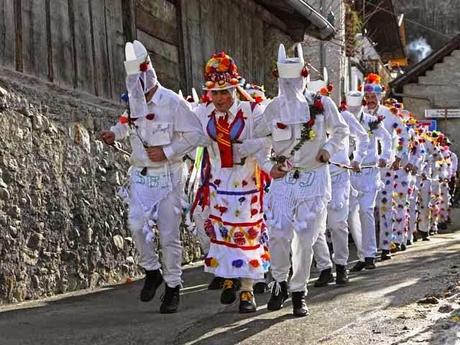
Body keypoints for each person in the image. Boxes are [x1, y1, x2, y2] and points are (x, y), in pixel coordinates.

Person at [100, 40, 203, 314]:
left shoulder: (172, 102)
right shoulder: (134, 102)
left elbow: (197, 134)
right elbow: (126, 123)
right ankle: (152, 271)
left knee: (169, 234)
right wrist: (114, 133)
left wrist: (168, 151)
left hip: (169, 175)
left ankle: (173, 286)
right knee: (136, 224)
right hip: (142, 175)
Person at [254, 44, 348, 316]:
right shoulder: (272, 109)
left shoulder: (322, 104)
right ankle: (279, 283)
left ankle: (298, 292)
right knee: (279, 236)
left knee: (306, 239)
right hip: (283, 182)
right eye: (285, 80)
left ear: (304, 76)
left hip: (314, 179)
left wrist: (328, 150)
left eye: (295, 79)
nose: (290, 84)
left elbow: (341, 131)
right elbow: (258, 140)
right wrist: (268, 165)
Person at [193, 52, 270, 313]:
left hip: (246, 183)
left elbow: (270, 138)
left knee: (245, 236)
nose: (220, 98)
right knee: (222, 232)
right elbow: (190, 135)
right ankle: (228, 277)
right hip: (218, 184)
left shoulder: (252, 111)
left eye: (225, 92)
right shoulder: (203, 113)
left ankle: (247, 291)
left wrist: (245, 149)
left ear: (235, 89)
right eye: (215, 93)